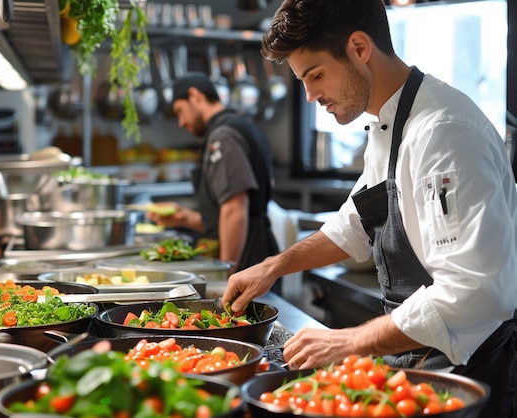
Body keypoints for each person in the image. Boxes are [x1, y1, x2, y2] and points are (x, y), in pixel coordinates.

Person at [221, 0, 517, 415]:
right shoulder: (388, 123)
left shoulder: (444, 133)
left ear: (360, 48)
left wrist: (348, 341)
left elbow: (476, 292)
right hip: (414, 364)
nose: (310, 96)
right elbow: (353, 225)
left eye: (316, 75)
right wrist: (273, 266)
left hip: (465, 379)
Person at [145, 72, 281, 291]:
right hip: (255, 254)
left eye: (180, 111)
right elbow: (223, 216)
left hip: (247, 261)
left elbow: (235, 210)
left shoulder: (222, 137)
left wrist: (227, 272)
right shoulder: (239, 126)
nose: (181, 122)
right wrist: (183, 217)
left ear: (195, 96)